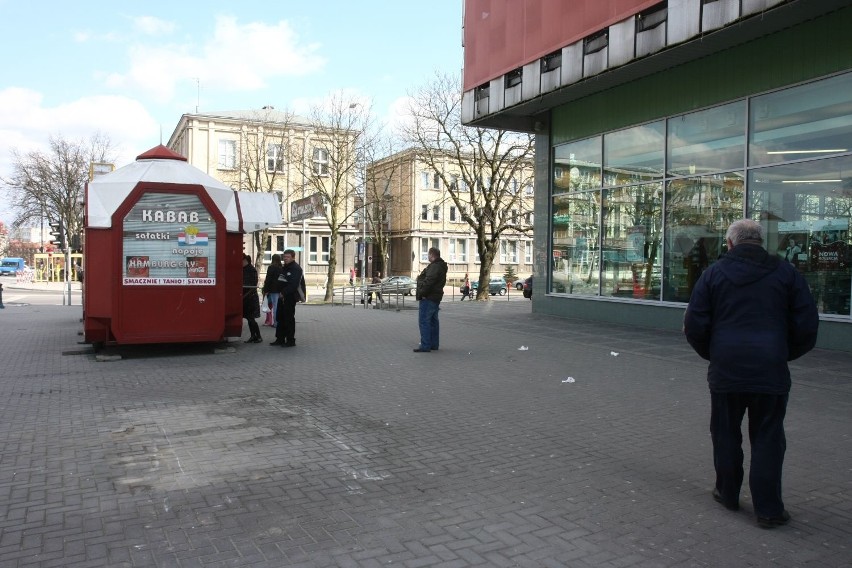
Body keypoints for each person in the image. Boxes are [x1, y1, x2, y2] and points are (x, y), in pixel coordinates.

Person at [683, 219, 818, 528]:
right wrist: (782, 353)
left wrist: (714, 353)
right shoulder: (787, 273)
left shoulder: (713, 275)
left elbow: (695, 324)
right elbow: (807, 325)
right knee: (769, 437)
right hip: (769, 370)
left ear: (730, 244)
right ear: (759, 241)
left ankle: (727, 493)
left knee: (725, 432)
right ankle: (769, 509)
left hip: (727, 369)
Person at [413, 247, 448, 352]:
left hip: (428, 297)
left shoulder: (434, 267)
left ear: (432, 255)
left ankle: (425, 345)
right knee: (433, 321)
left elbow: (429, 281)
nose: (427, 256)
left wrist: (422, 293)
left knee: (424, 321)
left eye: (428, 255)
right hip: (435, 297)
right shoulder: (441, 266)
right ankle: (434, 344)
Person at [271, 249, 305, 348]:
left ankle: (290, 340)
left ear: (293, 257)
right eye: (284, 257)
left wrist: (284, 292)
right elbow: (281, 280)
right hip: (281, 296)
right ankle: (280, 338)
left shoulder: (296, 268)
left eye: (288, 257)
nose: (285, 259)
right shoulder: (285, 268)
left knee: (288, 318)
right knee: (280, 317)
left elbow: (293, 284)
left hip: (290, 297)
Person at [241, 254, 262, 343]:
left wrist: (244, 295)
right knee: (249, 318)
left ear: (245, 260)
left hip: (250, 297)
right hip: (245, 297)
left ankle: (258, 336)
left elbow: (252, 285)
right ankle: (253, 336)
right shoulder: (244, 269)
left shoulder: (251, 270)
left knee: (251, 318)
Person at [261, 254, 282, 328]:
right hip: (279, 290)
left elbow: (268, 279)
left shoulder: (271, 267)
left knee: (271, 305)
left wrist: (266, 289)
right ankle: (275, 322)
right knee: (276, 306)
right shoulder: (281, 268)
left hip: (272, 289)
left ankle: (274, 322)